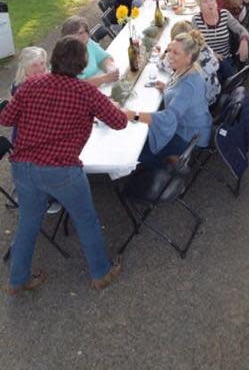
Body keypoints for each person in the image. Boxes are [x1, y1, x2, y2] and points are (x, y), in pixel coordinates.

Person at [0, 36, 127, 293]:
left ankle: (17, 280)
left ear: (54, 59)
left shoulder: (31, 84)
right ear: (82, 65)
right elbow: (119, 122)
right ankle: (100, 273)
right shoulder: (86, 92)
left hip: (23, 166)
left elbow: (6, 118)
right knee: (86, 219)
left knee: (27, 223)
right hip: (62, 169)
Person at [126, 32, 212, 167]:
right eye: (169, 50)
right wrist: (167, 88)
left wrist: (131, 115)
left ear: (188, 57)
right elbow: (181, 96)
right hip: (189, 127)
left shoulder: (189, 86)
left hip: (189, 136)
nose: (169, 55)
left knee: (136, 154)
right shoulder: (186, 69)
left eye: (175, 53)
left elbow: (168, 118)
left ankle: (160, 168)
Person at [192, 0, 249, 79]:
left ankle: (232, 82)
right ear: (199, 6)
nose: (210, 3)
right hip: (208, 61)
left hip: (225, 58)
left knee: (222, 71)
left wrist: (244, 41)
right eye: (205, 1)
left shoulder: (224, 14)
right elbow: (195, 43)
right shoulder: (196, 20)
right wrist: (211, 53)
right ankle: (234, 81)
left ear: (216, 2)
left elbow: (242, 30)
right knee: (221, 78)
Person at [169, 21, 221, 107]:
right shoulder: (204, 47)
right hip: (215, 93)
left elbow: (165, 65)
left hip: (204, 104)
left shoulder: (187, 58)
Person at [60, 16, 119, 86]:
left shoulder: (88, 43)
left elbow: (104, 58)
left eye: (81, 32)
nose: (77, 37)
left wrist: (110, 68)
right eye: (73, 34)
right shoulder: (64, 58)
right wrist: (103, 79)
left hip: (102, 86)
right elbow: (77, 86)